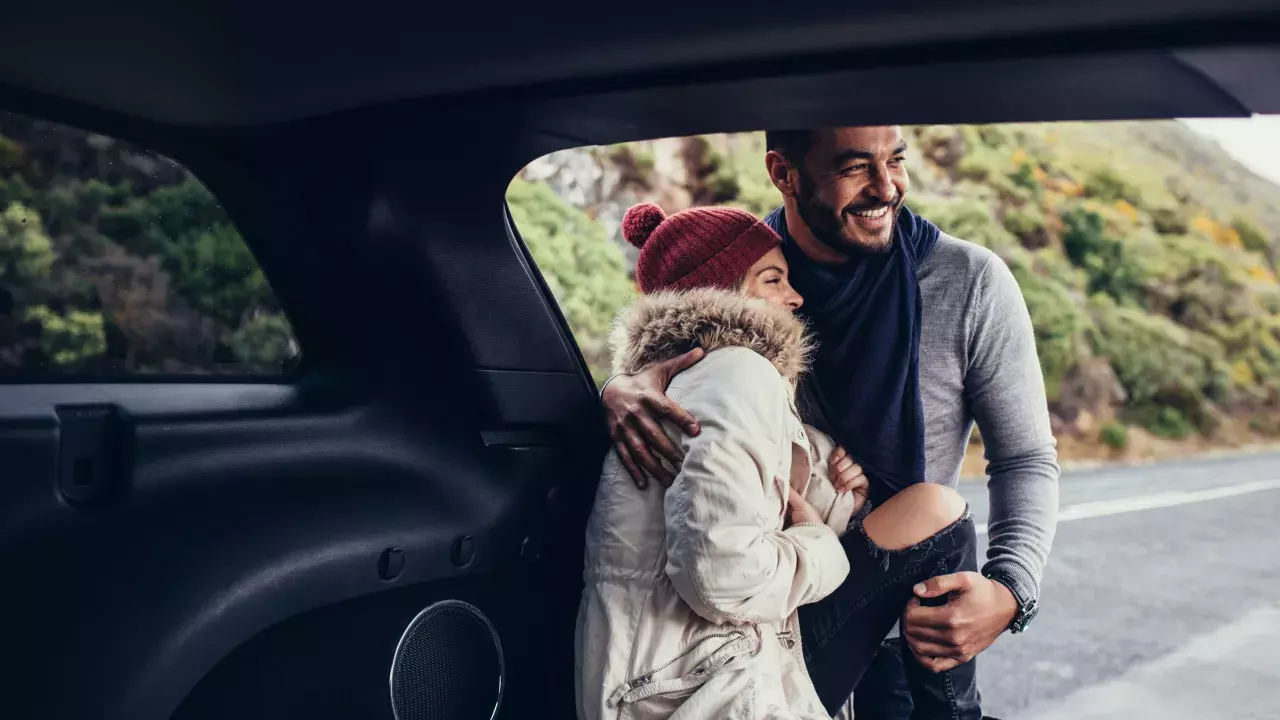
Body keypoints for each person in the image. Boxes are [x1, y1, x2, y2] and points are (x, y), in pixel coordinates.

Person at [601, 126, 1060, 719]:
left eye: (896, 159)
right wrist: (620, 386)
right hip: (762, 625)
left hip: (908, 631)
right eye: (854, 167)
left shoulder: (970, 282)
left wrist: (1010, 589)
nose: (887, 186)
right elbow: (683, 351)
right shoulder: (750, 277)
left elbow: (1025, 457)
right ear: (784, 173)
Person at [576, 202, 974, 720]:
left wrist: (837, 491)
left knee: (932, 511)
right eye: (773, 280)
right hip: (704, 690)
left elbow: (746, 509)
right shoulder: (738, 373)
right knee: (939, 514)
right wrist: (821, 546)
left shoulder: (694, 383)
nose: (795, 297)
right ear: (721, 293)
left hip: (669, 673)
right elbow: (719, 576)